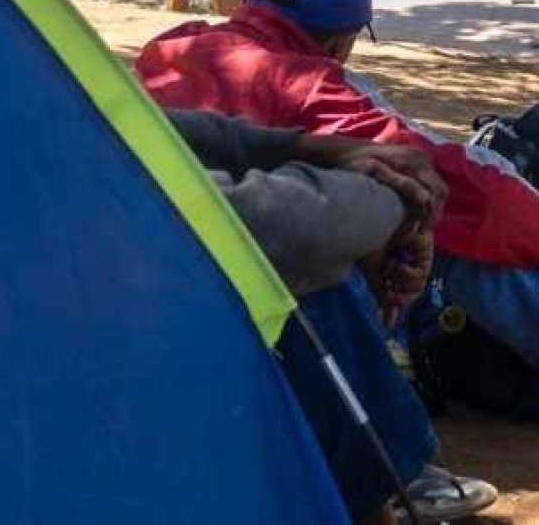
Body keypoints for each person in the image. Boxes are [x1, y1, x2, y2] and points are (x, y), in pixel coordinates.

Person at [136, 0, 539, 440]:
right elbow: (457, 188)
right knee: (462, 239)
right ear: (340, 40)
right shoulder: (307, 88)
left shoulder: (167, 50)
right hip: (266, 285)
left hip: (153, 271)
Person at [162, 107, 497, 523]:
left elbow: (160, 130)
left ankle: (385, 475)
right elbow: (275, 224)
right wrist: (400, 202)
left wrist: (326, 152)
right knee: (300, 271)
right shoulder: (319, 86)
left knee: (320, 251)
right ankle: (385, 477)